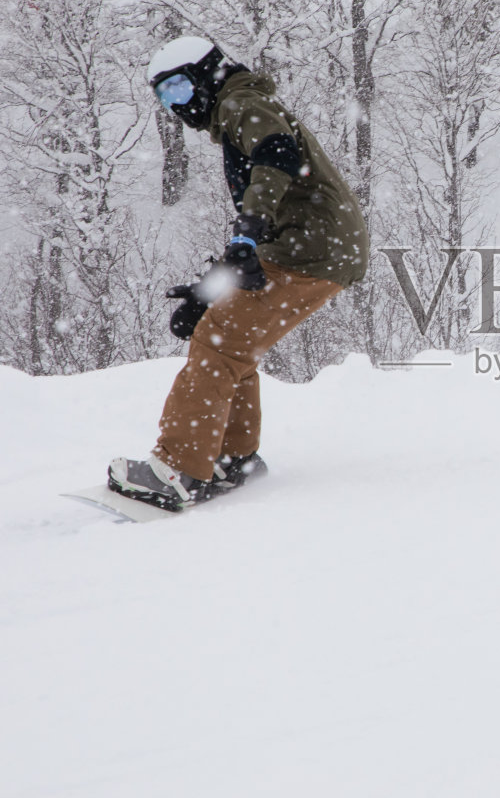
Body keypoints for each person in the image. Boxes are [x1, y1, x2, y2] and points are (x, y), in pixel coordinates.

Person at [109, 36, 368, 510]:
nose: (177, 107)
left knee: (218, 344)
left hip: (309, 249)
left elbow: (277, 158)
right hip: (312, 245)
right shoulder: (241, 104)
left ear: (206, 75)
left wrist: (246, 231)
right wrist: (214, 287)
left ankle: (179, 470)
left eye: (180, 90)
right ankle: (233, 457)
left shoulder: (241, 103)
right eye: (165, 99)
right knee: (230, 339)